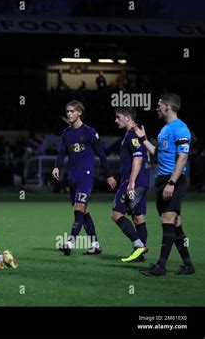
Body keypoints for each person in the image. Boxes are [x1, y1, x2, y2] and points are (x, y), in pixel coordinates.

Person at [135, 93, 195, 276]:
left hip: (173, 180)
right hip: (163, 180)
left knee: (167, 220)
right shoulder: (164, 129)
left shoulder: (181, 128)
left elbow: (183, 157)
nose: (156, 107)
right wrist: (144, 139)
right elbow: (157, 153)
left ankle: (161, 266)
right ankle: (188, 264)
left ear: (168, 106)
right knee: (175, 223)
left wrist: (171, 183)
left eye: (159, 104)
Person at [52, 100, 116, 255]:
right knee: (84, 211)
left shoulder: (89, 131)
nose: (69, 114)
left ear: (80, 112)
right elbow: (62, 153)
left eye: (72, 111)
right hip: (72, 176)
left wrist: (108, 175)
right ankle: (95, 245)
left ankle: (70, 242)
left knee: (79, 208)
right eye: (67, 111)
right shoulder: (66, 133)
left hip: (86, 176)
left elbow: (101, 154)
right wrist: (56, 167)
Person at [111, 107, 150, 262]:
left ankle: (139, 245)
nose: (115, 120)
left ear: (128, 118)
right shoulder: (138, 133)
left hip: (133, 181)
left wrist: (131, 182)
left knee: (116, 214)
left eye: (118, 117)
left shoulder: (132, 134)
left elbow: (138, 158)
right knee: (138, 216)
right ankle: (139, 254)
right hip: (144, 180)